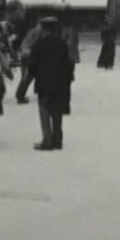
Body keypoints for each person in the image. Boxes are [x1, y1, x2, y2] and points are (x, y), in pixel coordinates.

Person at [27, 17, 75, 151]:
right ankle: (58, 140)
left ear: (43, 29)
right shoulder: (61, 44)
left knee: (44, 110)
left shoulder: (38, 45)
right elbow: (68, 63)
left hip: (43, 83)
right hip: (59, 83)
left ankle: (47, 140)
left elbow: (31, 65)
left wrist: (36, 73)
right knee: (57, 111)